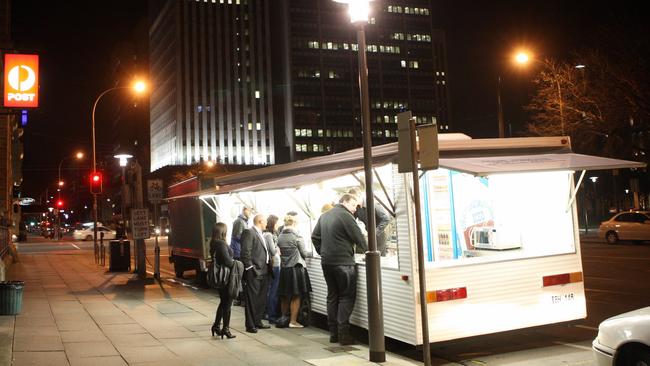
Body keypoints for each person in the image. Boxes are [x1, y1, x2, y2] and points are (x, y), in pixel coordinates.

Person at [311, 193, 367, 345]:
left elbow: (315, 237)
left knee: (332, 295)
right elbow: (359, 238)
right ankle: (344, 334)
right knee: (346, 296)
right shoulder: (346, 216)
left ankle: (333, 333)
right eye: (355, 205)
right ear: (346, 201)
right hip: (344, 263)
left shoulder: (324, 216)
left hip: (326, 262)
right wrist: (370, 252)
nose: (355, 210)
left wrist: (323, 252)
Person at [277, 215, 312, 328]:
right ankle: (293, 321)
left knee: (285, 296)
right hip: (296, 269)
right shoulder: (297, 236)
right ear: (295, 224)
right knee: (296, 296)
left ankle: (284, 318)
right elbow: (304, 254)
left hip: (284, 269)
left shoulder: (280, 237)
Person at [240, 214, 272, 333]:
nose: (266, 224)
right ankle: (250, 325)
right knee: (252, 299)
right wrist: (251, 268)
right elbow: (245, 253)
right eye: (265, 222)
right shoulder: (249, 232)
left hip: (264, 271)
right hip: (254, 271)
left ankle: (258, 321)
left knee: (261, 299)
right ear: (259, 221)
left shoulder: (261, 234)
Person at [209, 222, 236, 339]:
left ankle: (216, 326)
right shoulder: (221, 244)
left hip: (220, 278)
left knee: (223, 302)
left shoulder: (213, 243)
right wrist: (237, 263)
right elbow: (228, 262)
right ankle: (226, 329)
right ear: (223, 232)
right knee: (228, 303)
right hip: (225, 278)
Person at [348, 188, 392, 256]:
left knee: (376, 259)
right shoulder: (357, 208)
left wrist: (375, 232)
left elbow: (386, 219)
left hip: (379, 236)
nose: (352, 201)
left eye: (353, 199)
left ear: (359, 196)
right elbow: (351, 220)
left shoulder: (373, 204)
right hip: (370, 236)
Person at [263, 215, 281, 324]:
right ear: (273, 223)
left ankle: (267, 313)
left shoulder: (267, 234)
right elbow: (273, 251)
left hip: (272, 264)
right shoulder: (269, 235)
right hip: (274, 264)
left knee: (270, 290)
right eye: (277, 223)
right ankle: (272, 315)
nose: (278, 226)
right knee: (273, 290)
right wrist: (277, 249)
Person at [231, 207, 250, 306]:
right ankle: (238, 299)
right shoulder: (239, 221)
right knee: (240, 277)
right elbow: (237, 236)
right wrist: (249, 240)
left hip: (240, 251)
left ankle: (241, 299)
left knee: (242, 277)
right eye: (249, 210)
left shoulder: (244, 221)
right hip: (238, 253)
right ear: (244, 210)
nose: (250, 212)